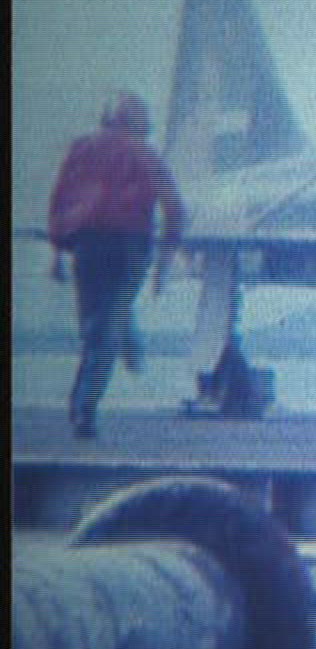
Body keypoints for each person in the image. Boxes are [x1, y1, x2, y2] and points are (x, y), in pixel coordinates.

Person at [48, 92, 186, 439]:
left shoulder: (82, 149)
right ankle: (86, 407)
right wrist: (165, 265)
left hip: (88, 246)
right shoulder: (145, 154)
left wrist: (57, 252)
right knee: (107, 325)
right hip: (129, 248)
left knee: (94, 327)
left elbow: (61, 199)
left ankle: (83, 403)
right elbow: (174, 209)